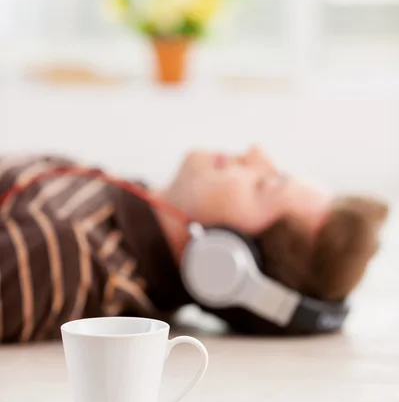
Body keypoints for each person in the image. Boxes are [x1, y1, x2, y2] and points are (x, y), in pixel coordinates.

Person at [0, 149, 387, 343]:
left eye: (265, 183)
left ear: (228, 261)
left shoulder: (61, 256)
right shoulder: (107, 203)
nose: (254, 153)